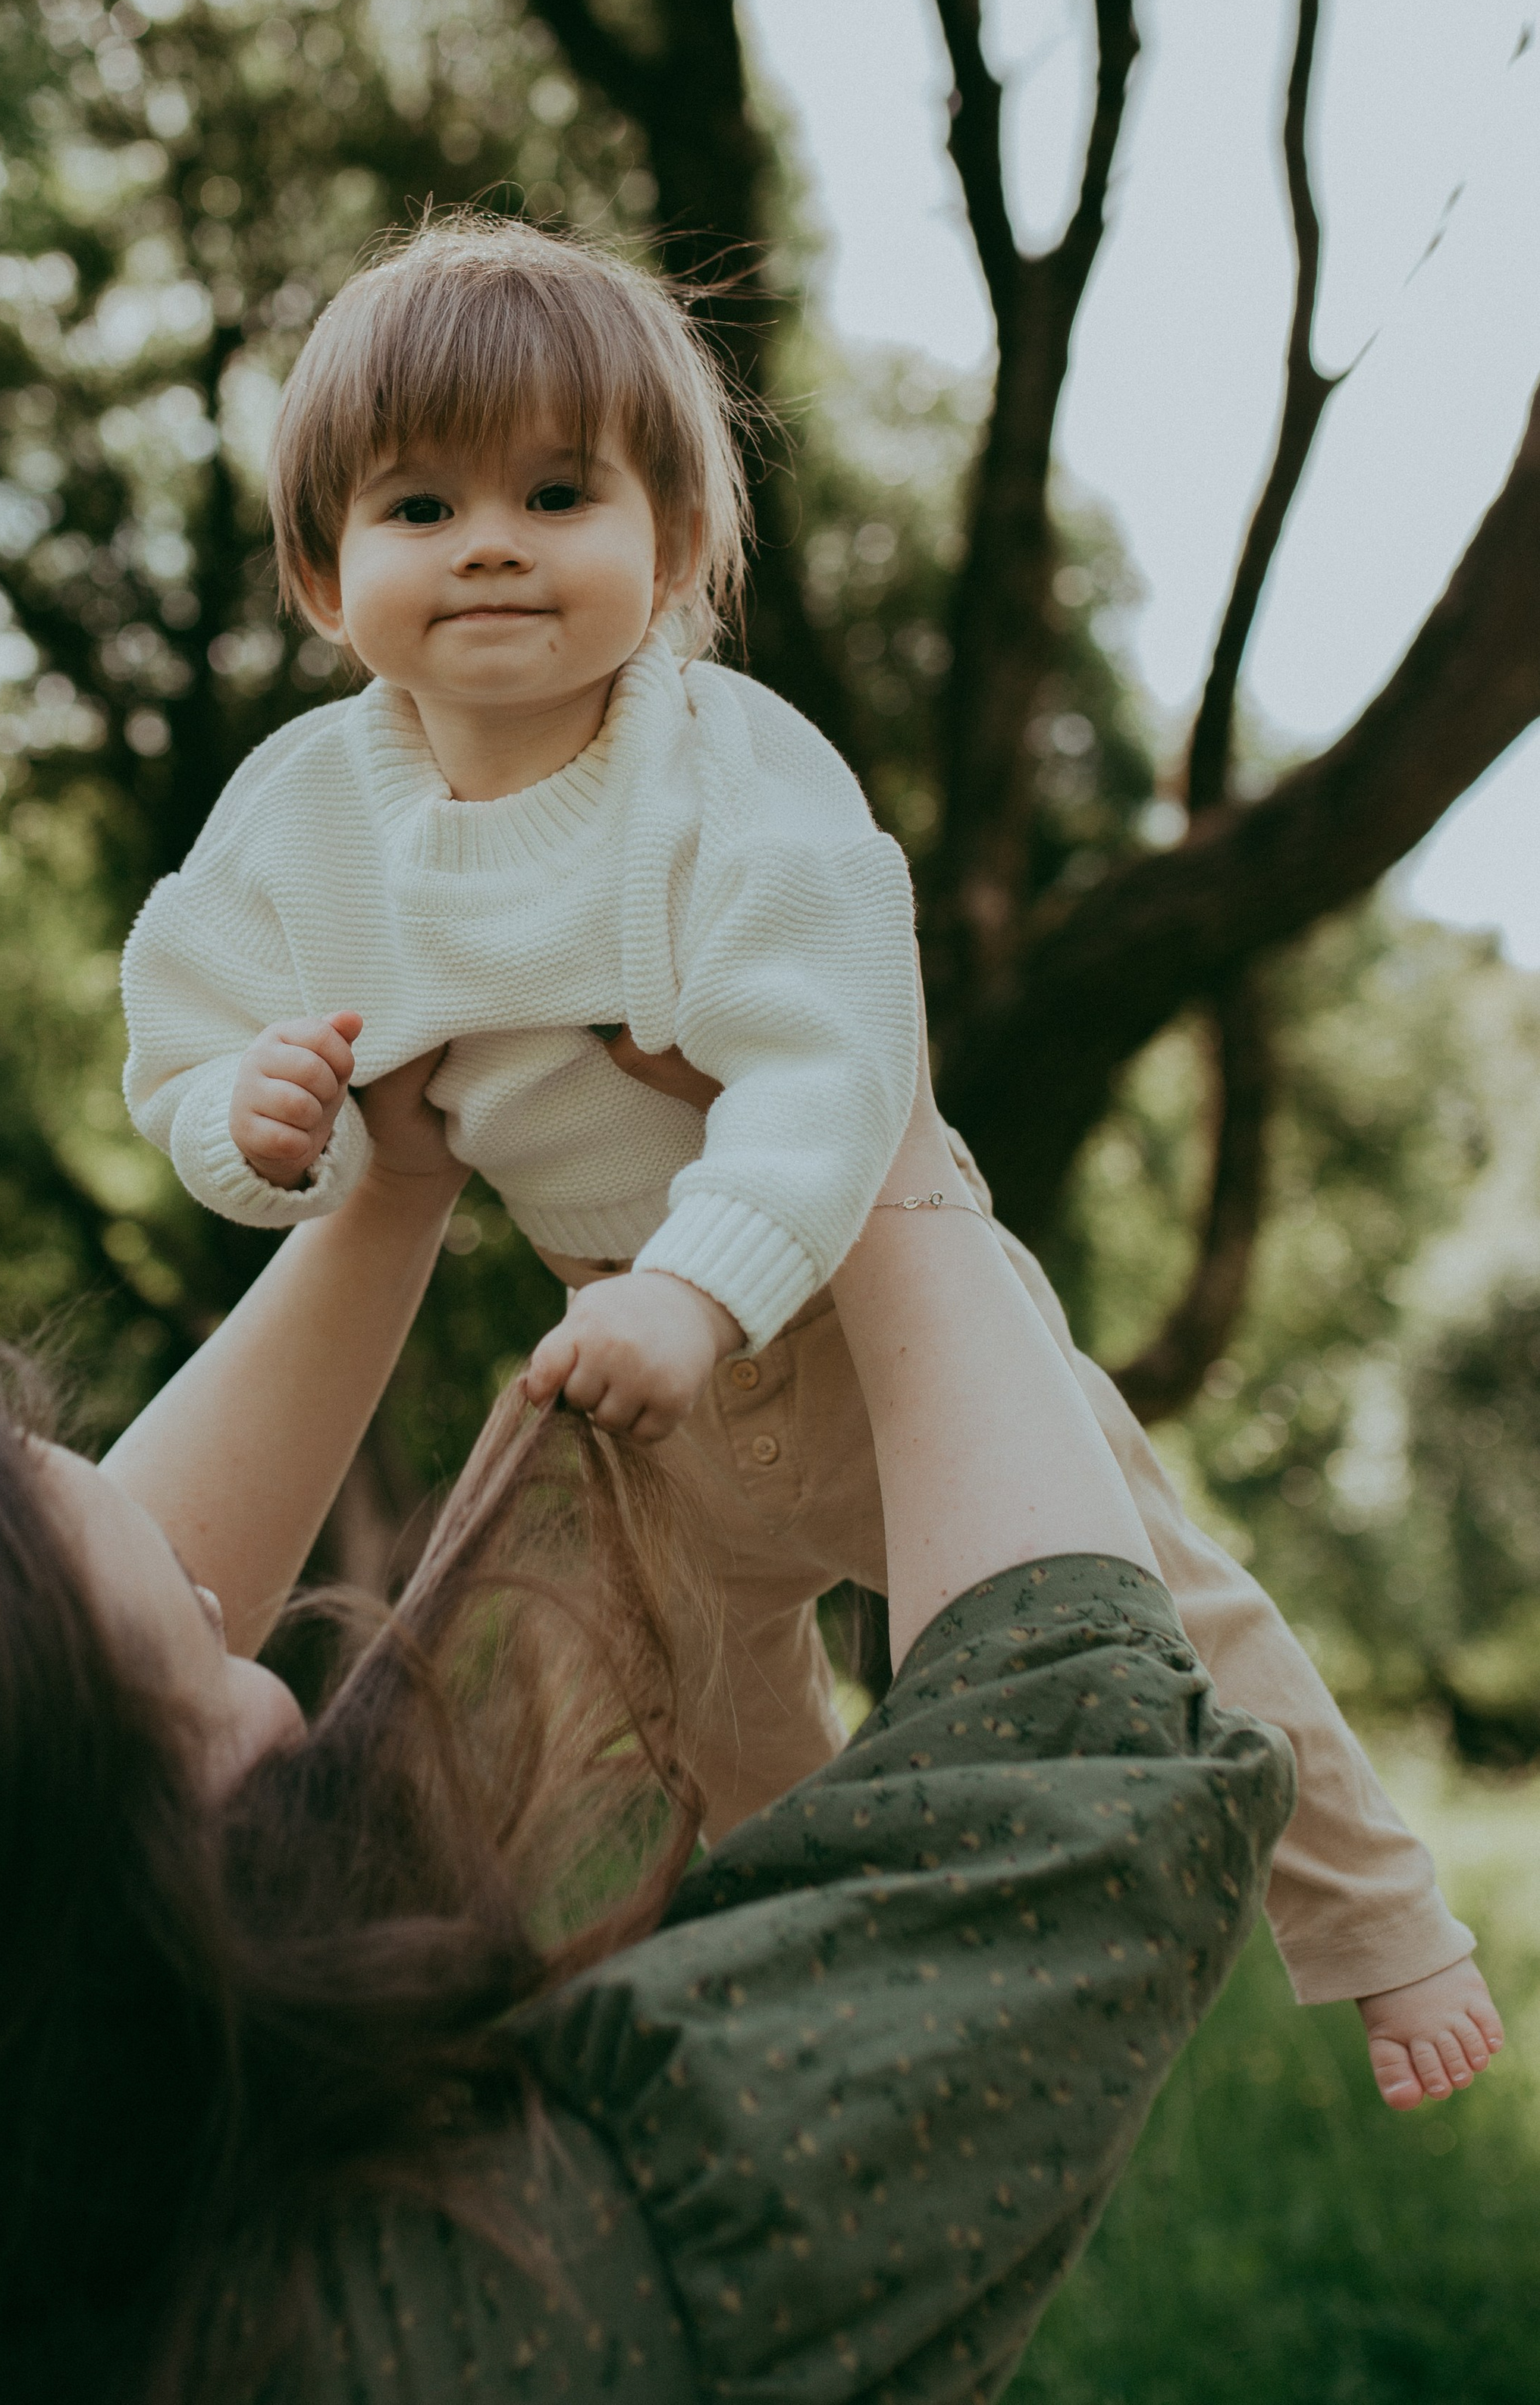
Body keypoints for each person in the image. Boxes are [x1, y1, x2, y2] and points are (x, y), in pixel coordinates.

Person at [121, 212, 1500, 2108]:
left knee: (1151, 1620)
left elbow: (827, 1066)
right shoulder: (300, 817)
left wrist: (703, 1288)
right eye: (418, 507)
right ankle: (829, 2029)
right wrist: (247, 1120)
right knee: (699, 1737)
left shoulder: (719, 766)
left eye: (554, 491)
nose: (493, 543)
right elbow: (184, 1029)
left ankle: (1376, 1922)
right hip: (621, 1371)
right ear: (318, 568)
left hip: (850, 1319)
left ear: (672, 546)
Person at [0, 1044, 1293, 2405]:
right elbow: (1069, 1786)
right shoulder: (521, 2310)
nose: (254, 1649)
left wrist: (387, 1195)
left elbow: (16, 1668)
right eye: (211, 1657)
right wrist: (878, 1136)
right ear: (95, 1917)